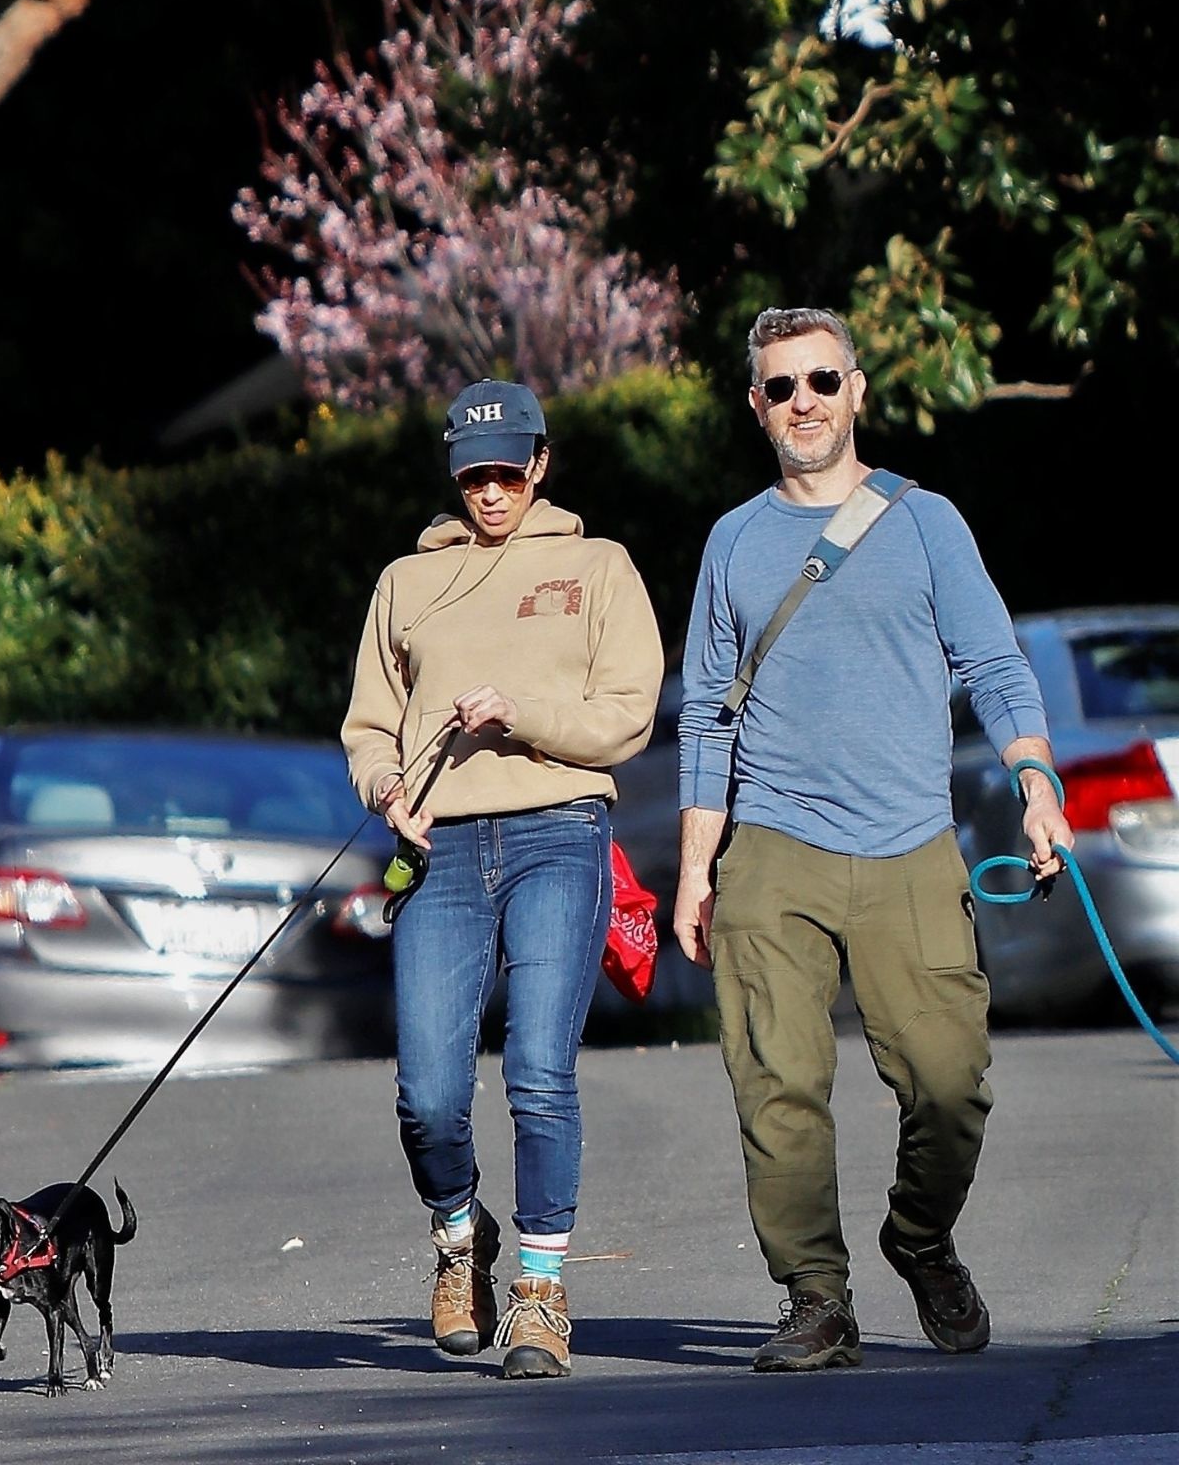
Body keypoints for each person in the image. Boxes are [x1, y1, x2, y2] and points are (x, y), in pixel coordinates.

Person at [674, 306, 1074, 1372]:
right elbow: (708, 714)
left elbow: (994, 665)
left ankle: (918, 1236)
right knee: (774, 1081)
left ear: (855, 390)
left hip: (907, 843)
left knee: (948, 1083)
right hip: (771, 844)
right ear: (754, 407)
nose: (800, 401)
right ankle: (814, 1295)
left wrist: (1036, 786)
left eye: (818, 380)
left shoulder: (926, 521)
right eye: (778, 387)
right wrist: (693, 871)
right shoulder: (733, 541)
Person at [342, 377, 664, 1379]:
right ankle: (457, 1239)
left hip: (558, 830)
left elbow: (628, 713)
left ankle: (537, 1291)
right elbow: (365, 722)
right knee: (428, 1093)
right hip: (437, 849)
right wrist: (383, 782)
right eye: (472, 474)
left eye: (506, 471)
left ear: (539, 463)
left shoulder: (596, 565)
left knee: (537, 1072)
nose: (490, 492)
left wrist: (520, 710)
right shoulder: (405, 579)